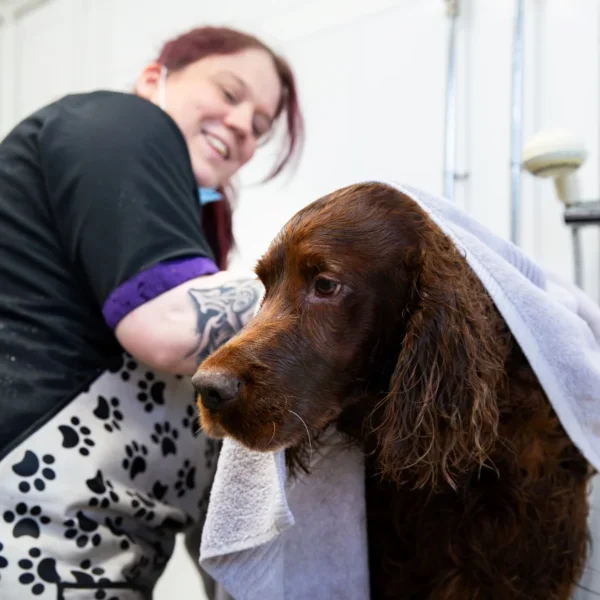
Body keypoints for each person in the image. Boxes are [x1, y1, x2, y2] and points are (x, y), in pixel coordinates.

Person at [0, 25, 303, 598]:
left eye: (259, 128)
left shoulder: (182, 232)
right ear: (152, 79)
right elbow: (165, 327)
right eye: (229, 93)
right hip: (27, 524)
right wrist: (320, 285)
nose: (242, 127)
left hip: (97, 552)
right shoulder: (121, 123)